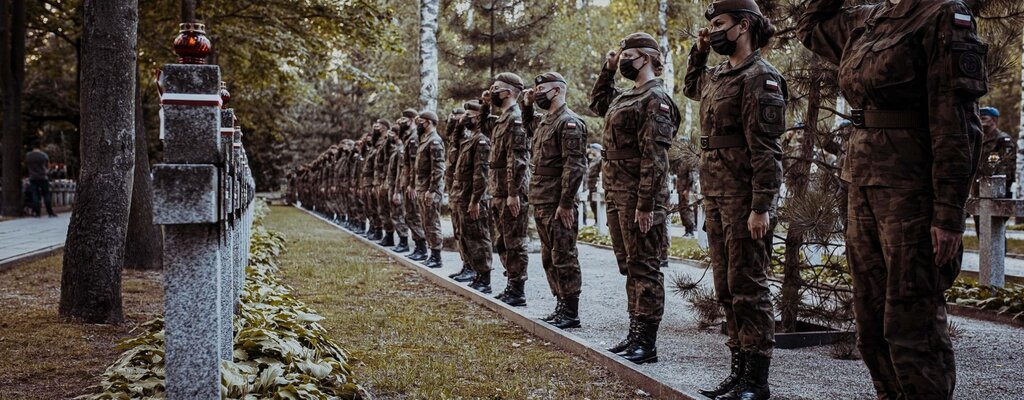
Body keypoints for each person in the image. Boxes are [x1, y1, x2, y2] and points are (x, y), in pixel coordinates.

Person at [799, 0, 988, 398]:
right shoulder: (868, 19)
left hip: (913, 192)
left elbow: (956, 124)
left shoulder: (941, 15)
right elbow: (809, 25)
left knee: (911, 326)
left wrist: (949, 213)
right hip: (863, 185)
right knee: (870, 327)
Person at [684, 1, 785, 398]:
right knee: (727, 288)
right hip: (716, 194)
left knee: (749, 287)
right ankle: (738, 371)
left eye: (720, 24)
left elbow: (766, 151)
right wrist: (699, 50)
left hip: (745, 198)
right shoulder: (719, 75)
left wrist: (761, 206)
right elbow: (693, 87)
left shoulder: (761, 77)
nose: (713, 31)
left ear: (743, 26)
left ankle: (756, 381)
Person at [590, 32, 679, 365]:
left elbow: (655, 156)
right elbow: (598, 103)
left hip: (640, 195)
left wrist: (646, 203)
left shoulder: (656, 98)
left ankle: (647, 340)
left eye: (628, 54)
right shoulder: (625, 96)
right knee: (630, 266)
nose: (623, 58)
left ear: (646, 57)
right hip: (616, 190)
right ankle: (634, 332)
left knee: (646, 266)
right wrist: (608, 69)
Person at [522, 72, 588, 329]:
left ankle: (571, 311)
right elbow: (528, 127)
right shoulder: (545, 122)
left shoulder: (569, 123)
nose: (537, 92)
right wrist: (526, 104)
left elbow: (575, 167)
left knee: (564, 255)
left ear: (558, 91)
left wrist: (566, 202)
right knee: (549, 256)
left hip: (558, 201)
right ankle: (560, 304)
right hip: (541, 198)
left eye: (542, 89)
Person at [484, 72, 531, 307]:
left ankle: (517, 288)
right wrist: (484, 105)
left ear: (510, 91)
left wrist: (514, 192)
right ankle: (511, 284)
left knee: (514, 241)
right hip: (499, 190)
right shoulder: (502, 118)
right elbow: (483, 128)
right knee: (503, 240)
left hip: (511, 192)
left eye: (496, 87)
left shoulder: (516, 118)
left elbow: (517, 160)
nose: (492, 91)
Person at [452, 100, 495, 293]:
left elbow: (481, 173)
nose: (464, 118)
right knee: (467, 236)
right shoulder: (470, 139)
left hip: (474, 198)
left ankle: (484, 278)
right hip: (463, 195)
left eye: (468, 115)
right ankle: (474, 272)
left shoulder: (481, 140)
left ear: (478, 116)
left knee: (479, 238)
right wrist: (458, 126)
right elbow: (454, 142)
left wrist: (476, 199)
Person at [414, 111, 446, 269]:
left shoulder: (434, 141)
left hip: (430, 189)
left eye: (420, 122)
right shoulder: (425, 139)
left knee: (432, 222)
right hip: (422, 187)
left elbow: (438, 169)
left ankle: (436, 256)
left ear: (428, 122)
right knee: (426, 222)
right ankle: (431, 253)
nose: (418, 124)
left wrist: (432, 190)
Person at [399, 109, 429, 259]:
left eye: (404, 119)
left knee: (414, 215)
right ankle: (418, 247)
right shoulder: (408, 137)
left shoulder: (414, 138)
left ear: (410, 120)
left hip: (413, 183)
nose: (401, 122)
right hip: (409, 183)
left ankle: (422, 248)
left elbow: (414, 164)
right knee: (409, 215)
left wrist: (412, 184)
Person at [973, 107, 1015, 198]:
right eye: (979, 118)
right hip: (978, 187)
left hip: (997, 189)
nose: (980, 121)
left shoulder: (1002, 139)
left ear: (994, 120)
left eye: (984, 118)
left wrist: (999, 184)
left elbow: (1008, 165)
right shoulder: (978, 140)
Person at [25, 143, 56, 218]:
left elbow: (27, 165)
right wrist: (46, 171)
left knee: (35, 194)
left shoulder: (28, 155)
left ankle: (37, 213)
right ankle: (50, 212)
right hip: (43, 177)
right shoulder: (44, 155)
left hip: (33, 177)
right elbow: (48, 166)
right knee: (46, 194)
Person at [586, 143, 603, 225]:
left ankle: (600, 221)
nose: (591, 151)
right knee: (592, 204)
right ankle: (596, 220)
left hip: (596, 185)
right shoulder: (591, 159)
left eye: (593, 149)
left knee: (597, 204)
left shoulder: (600, 159)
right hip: (590, 185)